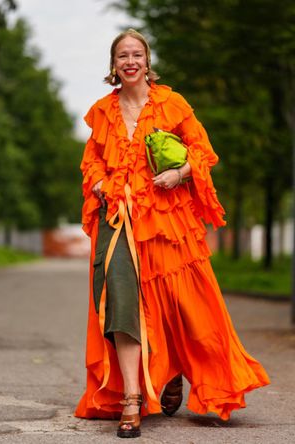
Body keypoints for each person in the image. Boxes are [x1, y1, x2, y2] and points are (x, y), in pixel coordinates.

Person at [75, 28, 270, 439]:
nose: (130, 62)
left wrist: (178, 173)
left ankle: (176, 368)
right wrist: (97, 184)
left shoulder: (172, 103)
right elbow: (91, 161)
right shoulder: (101, 111)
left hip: (168, 219)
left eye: (137, 55)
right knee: (121, 302)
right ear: (114, 66)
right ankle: (131, 399)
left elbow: (202, 152)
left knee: (183, 306)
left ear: (147, 62)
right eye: (122, 56)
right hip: (119, 219)